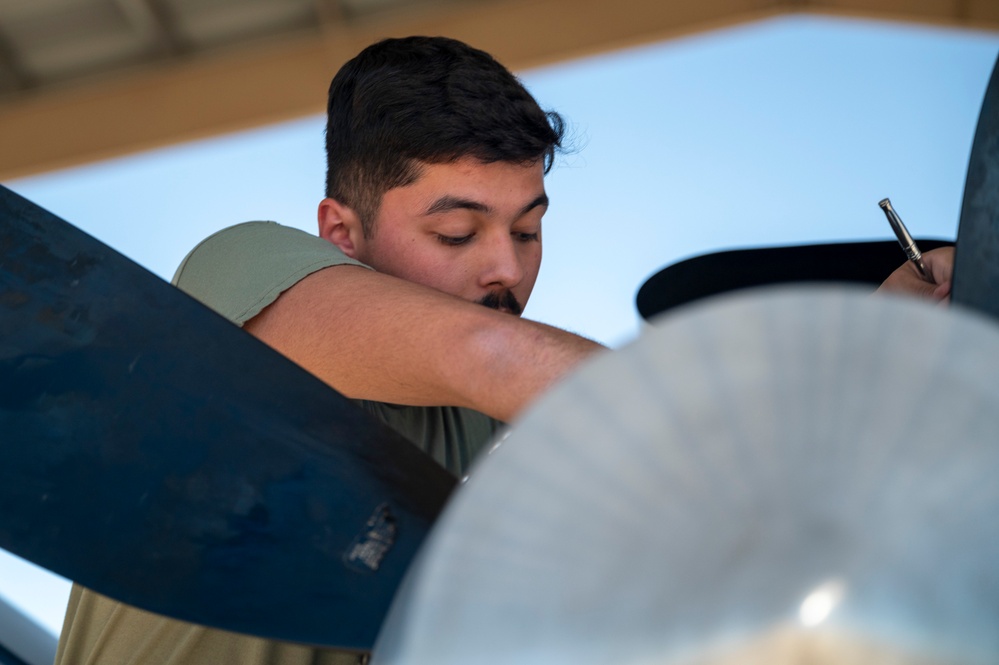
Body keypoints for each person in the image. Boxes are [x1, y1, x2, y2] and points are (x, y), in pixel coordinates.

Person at [53, 35, 953, 665]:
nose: (505, 269)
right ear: (340, 231)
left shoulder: (517, 455)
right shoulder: (241, 273)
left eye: (527, 229)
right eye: (455, 232)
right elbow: (491, 353)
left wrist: (880, 348)